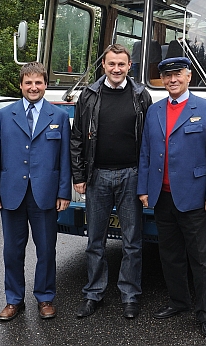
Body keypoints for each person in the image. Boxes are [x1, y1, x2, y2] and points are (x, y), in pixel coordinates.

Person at [137, 57, 206, 338]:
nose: (172, 80)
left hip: (196, 199)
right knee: (170, 255)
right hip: (163, 197)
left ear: (189, 77)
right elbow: (146, 153)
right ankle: (179, 301)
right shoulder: (155, 111)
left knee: (201, 259)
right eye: (166, 76)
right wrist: (144, 188)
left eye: (177, 74)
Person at [70, 43, 152, 320]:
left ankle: (130, 295)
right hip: (97, 177)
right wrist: (79, 176)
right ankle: (93, 293)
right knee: (95, 240)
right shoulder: (89, 95)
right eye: (111, 64)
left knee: (132, 241)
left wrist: (146, 180)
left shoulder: (141, 95)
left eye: (121, 64)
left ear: (130, 67)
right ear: (103, 66)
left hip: (132, 175)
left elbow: (150, 141)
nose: (116, 69)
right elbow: (77, 138)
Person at [0, 62, 71, 322]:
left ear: (46, 84)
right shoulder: (4, 115)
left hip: (45, 193)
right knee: (12, 250)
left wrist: (64, 192)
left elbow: (64, 158)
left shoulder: (58, 117)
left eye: (39, 82)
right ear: (21, 85)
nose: (33, 87)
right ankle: (13, 300)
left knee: (46, 250)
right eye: (28, 83)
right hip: (12, 192)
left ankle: (45, 297)